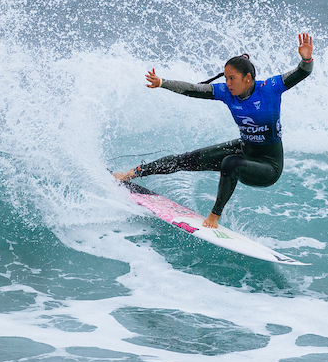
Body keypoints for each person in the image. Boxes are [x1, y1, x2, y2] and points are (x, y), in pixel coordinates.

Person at [113, 33, 314, 228]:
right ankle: (130, 174)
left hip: (268, 166)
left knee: (231, 163)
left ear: (248, 78)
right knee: (184, 160)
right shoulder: (227, 93)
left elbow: (302, 72)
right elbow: (193, 89)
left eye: (232, 78)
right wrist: (162, 83)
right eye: (225, 78)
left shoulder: (270, 88)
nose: (227, 83)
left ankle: (214, 216)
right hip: (244, 149)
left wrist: (306, 59)